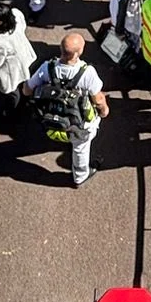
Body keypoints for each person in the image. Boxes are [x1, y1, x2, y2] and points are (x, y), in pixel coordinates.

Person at [27, 31, 109, 186]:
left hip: (53, 115)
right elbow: (98, 99)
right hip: (79, 122)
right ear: (78, 53)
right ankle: (80, 175)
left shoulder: (47, 67)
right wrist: (104, 111)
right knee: (81, 148)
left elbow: (27, 89)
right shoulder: (87, 73)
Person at [0, 0, 37, 118]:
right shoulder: (16, 14)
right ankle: (26, 99)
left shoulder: (1, 42)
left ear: (0, 22)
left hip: (12, 69)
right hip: (25, 56)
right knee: (25, 82)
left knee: (13, 91)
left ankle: (12, 112)